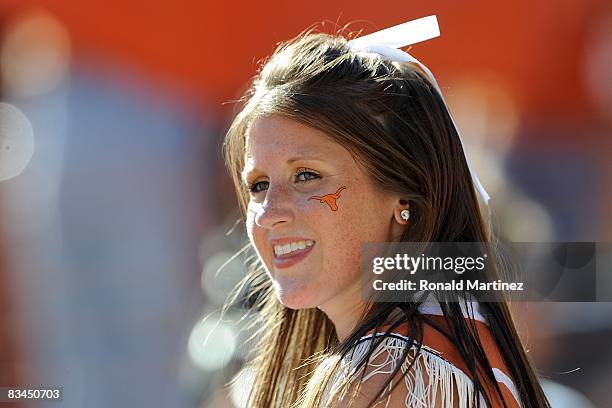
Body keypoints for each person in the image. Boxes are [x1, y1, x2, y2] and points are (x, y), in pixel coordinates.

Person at [222, 15, 550, 408]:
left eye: (307, 176)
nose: (268, 212)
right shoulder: (450, 342)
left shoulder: (384, 375)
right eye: (258, 185)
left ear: (403, 199)